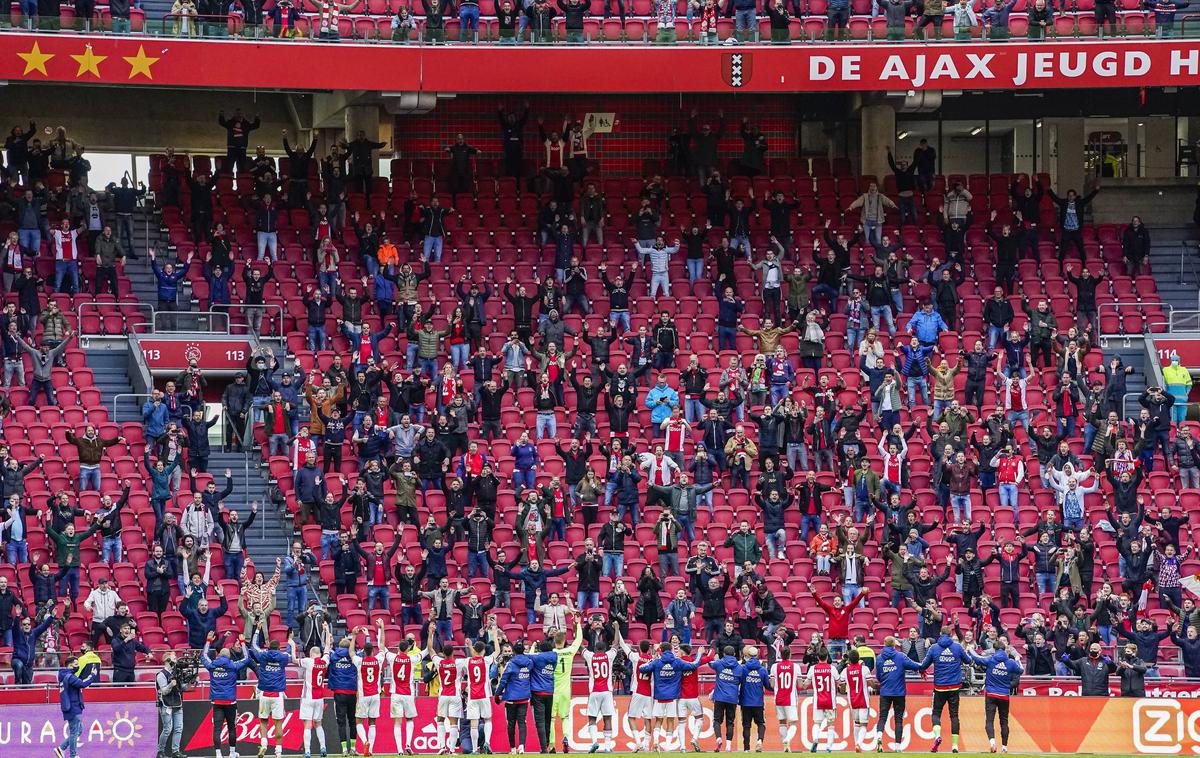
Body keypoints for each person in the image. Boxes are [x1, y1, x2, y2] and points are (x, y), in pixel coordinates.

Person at [919, 628, 974, 753]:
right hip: (954, 686)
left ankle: (937, 736)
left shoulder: (934, 648)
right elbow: (968, 661)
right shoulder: (958, 647)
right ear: (950, 635)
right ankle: (955, 746)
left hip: (939, 687)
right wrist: (969, 653)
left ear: (940, 634)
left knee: (936, 713)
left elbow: (924, 665)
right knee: (954, 716)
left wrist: (921, 669)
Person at [203, 633, 252, 758]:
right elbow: (247, 658)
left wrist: (208, 641)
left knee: (217, 729)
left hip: (216, 702)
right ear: (229, 656)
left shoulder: (212, 665)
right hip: (230, 702)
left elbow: (203, 656)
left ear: (219, 655)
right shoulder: (233, 665)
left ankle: (218, 754)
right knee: (232, 728)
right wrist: (243, 643)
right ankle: (231, 753)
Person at [969, 642, 1024, 754]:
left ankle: (992, 743)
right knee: (1004, 722)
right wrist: (1017, 658)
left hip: (991, 694)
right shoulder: (1011, 662)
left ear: (994, 649)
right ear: (1004, 650)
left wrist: (970, 649)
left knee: (989, 720)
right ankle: (1004, 748)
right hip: (1004, 695)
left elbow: (976, 658)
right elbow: (1021, 670)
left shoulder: (990, 659)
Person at [251, 627, 293, 758]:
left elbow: (253, 646)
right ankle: (278, 752)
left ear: (269, 647)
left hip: (264, 693)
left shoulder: (263, 655)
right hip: (277, 694)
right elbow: (290, 653)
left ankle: (264, 744)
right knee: (278, 722)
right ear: (279, 647)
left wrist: (257, 630)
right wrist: (290, 639)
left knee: (263, 720)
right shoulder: (283, 657)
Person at [380, 624, 421, 755]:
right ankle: (408, 744)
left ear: (398, 648)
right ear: (408, 649)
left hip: (396, 694)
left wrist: (381, 628)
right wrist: (430, 634)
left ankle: (399, 750)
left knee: (397, 722)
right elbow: (426, 652)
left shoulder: (392, 658)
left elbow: (381, 646)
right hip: (408, 694)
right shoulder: (412, 658)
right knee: (409, 719)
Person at [292, 623, 332, 758]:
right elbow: (327, 646)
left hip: (308, 697)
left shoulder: (308, 662)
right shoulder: (325, 661)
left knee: (308, 725)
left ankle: (307, 751)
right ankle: (323, 748)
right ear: (319, 654)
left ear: (310, 654)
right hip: (320, 698)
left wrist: (292, 646)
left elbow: (293, 660)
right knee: (319, 724)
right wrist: (326, 630)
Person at [352, 623, 385, 756]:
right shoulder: (378, 660)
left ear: (364, 652)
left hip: (364, 695)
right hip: (375, 695)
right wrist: (381, 629)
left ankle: (365, 741)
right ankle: (370, 749)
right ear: (373, 651)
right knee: (372, 722)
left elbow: (351, 652)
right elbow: (382, 646)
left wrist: (354, 636)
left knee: (359, 720)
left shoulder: (360, 661)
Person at [57, 654, 99, 758]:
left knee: (78, 730)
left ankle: (61, 748)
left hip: (73, 706)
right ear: (70, 666)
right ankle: (73, 755)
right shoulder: (69, 677)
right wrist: (92, 675)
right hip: (73, 707)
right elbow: (83, 684)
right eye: (76, 664)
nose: (77, 666)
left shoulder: (66, 675)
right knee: (74, 732)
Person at [804, 648, 838, 753]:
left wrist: (802, 684)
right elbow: (839, 682)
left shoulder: (813, 669)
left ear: (818, 657)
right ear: (827, 657)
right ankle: (828, 747)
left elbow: (805, 684)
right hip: (830, 700)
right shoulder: (832, 669)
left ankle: (815, 739)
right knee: (831, 724)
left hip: (818, 700)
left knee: (817, 723)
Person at [738, 645, 770, 752]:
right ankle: (760, 741)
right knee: (761, 723)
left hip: (745, 702)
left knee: (746, 726)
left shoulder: (743, 669)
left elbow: (738, 682)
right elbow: (768, 686)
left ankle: (746, 749)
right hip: (758, 703)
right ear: (757, 655)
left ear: (747, 655)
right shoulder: (762, 670)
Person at [770, 645, 800, 752]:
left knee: (782, 722)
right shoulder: (795, 667)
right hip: (790, 699)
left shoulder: (774, 667)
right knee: (793, 723)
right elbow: (800, 684)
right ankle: (787, 739)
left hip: (779, 698)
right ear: (790, 655)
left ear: (780, 655)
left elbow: (772, 685)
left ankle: (786, 748)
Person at [156, 652, 185, 758]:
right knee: (167, 728)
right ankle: (160, 751)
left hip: (177, 702)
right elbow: (164, 691)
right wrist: (170, 685)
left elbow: (183, 688)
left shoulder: (177, 673)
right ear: (168, 660)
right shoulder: (161, 675)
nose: (176, 659)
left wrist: (192, 682)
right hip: (166, 704)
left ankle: (175, 751)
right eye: (174, 658)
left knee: (178, 728)